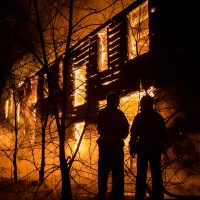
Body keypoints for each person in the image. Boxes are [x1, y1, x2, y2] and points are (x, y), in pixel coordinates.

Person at [129, 94, 167, 200]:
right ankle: (155, 196)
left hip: (146, 149)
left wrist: (132, 147)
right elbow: (134, 134)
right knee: (154, 174)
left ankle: (143, 196)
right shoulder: (156, 117)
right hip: (150, 149)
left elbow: (133, 135)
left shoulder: (140, 117)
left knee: (146, 174)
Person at [96, 91, 129, 199]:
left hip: (105, 147)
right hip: (115, 147)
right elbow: (125, 131)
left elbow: (99, 129)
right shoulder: (120, 114)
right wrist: (118, 135)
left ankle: (102, 193)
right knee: (117, 172)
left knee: (103, 172)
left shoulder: (102, 113)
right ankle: (117, 194)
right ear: (117, 102)